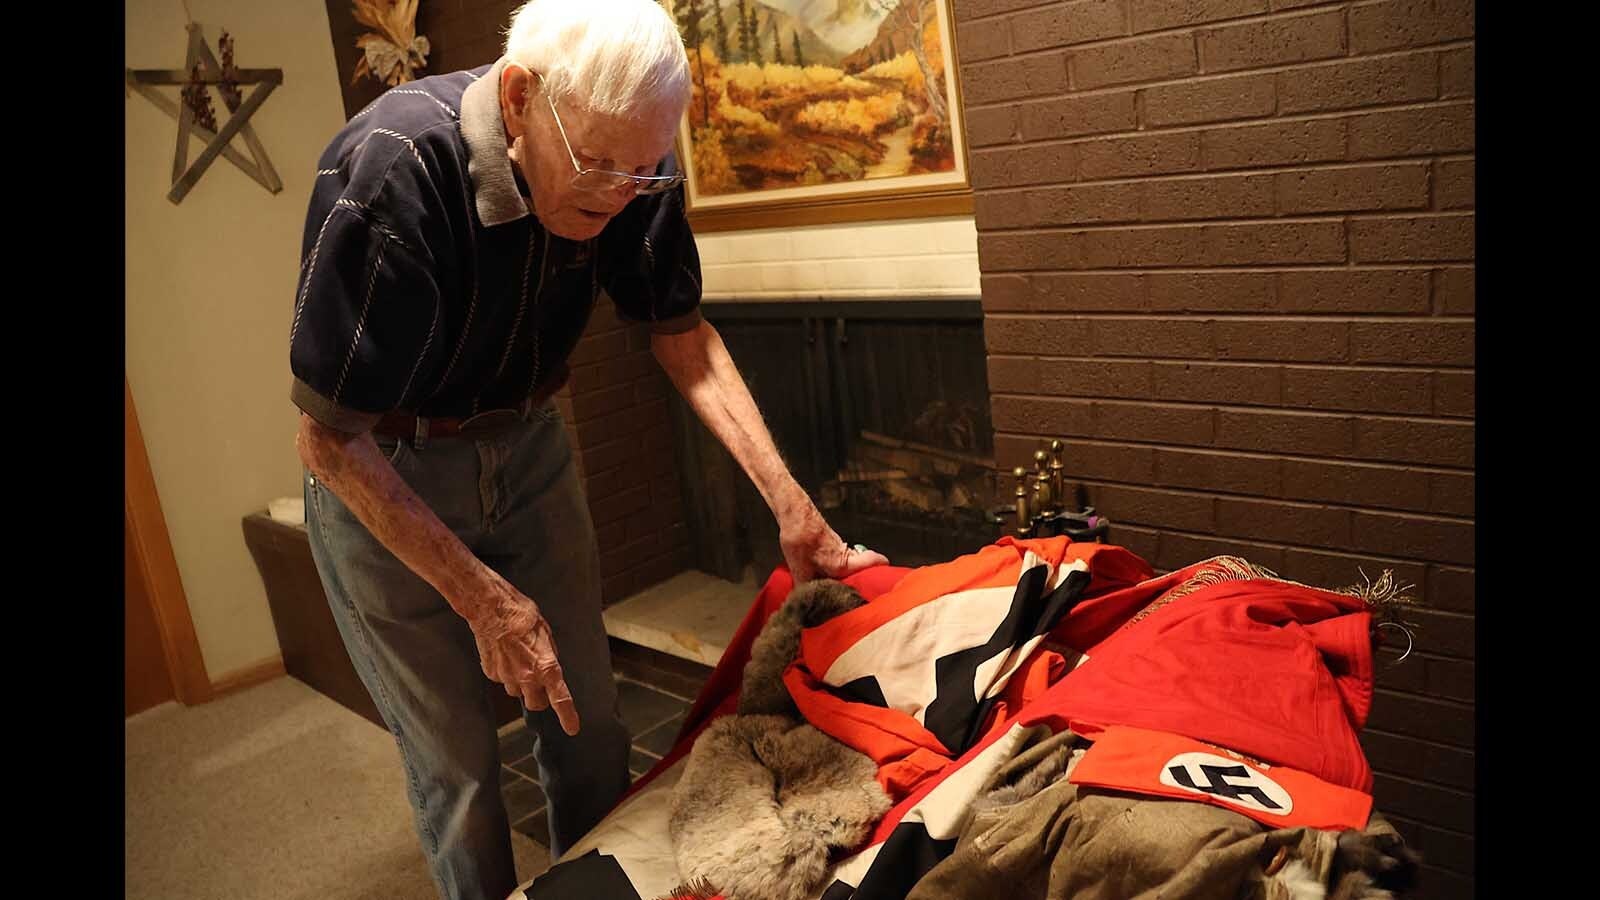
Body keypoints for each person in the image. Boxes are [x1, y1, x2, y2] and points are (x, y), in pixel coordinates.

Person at [286, 1, 887, 897]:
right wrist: (485, 601)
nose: (621, 192)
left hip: (529, 444)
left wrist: (792, 509)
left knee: (588, 730)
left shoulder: (632, 159)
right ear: (523, 98)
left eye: (644, 172)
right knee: (459, 770)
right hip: (384, 466)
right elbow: (327, 440)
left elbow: (682, 337)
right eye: (601, 164)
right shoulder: (393, 173)